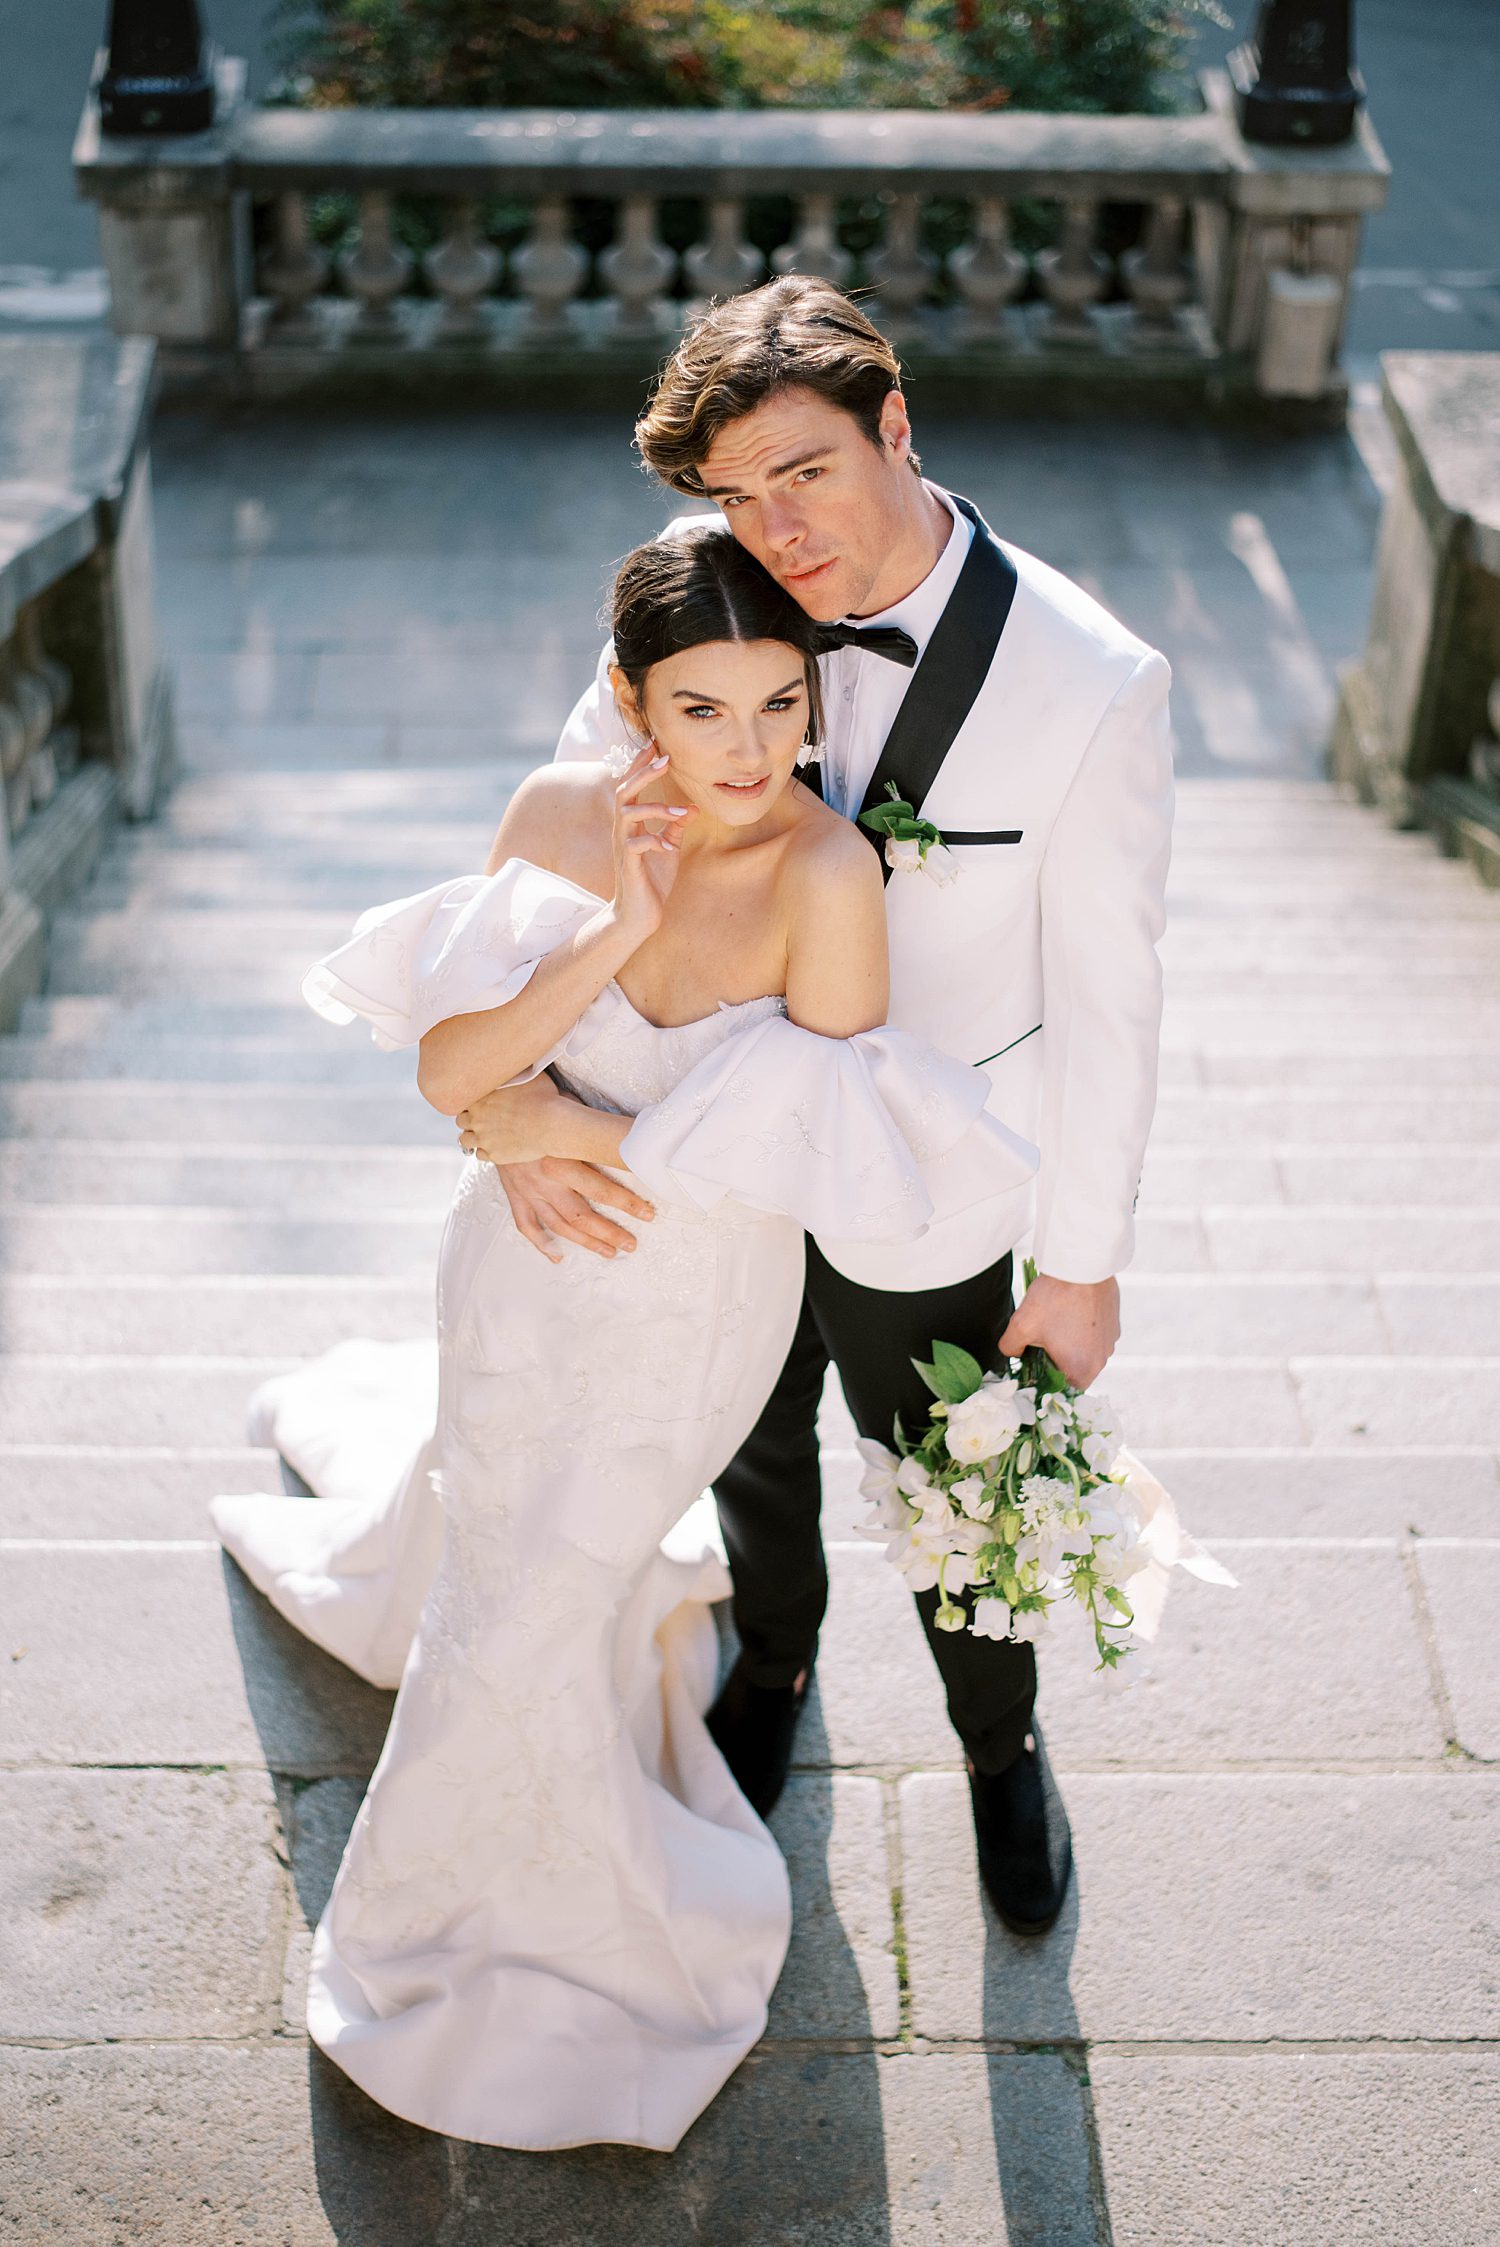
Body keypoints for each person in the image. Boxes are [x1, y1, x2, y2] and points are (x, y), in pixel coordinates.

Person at [211, 525, 1037, 2152]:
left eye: (779, 704)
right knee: (502, 1535)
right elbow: (450, 1073)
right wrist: (603, 940)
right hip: (512, 1288)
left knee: (536, 1596)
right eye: (704, 711)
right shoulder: (554, 817)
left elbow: (810, 1145)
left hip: (690, 1311)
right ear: (628, 701)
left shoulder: (826, 874)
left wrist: (546, 1130)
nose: (751, 752)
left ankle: (454, 1936)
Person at [462, 274, 1175, 1942]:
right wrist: (517, 1094)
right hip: (692, 1162)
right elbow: (572, 849)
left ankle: (1001, 1750)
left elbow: (1117, 1000)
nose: (768, 530)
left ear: (897, 426)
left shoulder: (1093, 679)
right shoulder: (697, 603)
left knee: (958, 1483)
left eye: (802, 473)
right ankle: (774, 1653)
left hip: (918, 1195)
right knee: (751, 1446)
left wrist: (1081, 1264)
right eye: (730, 496)